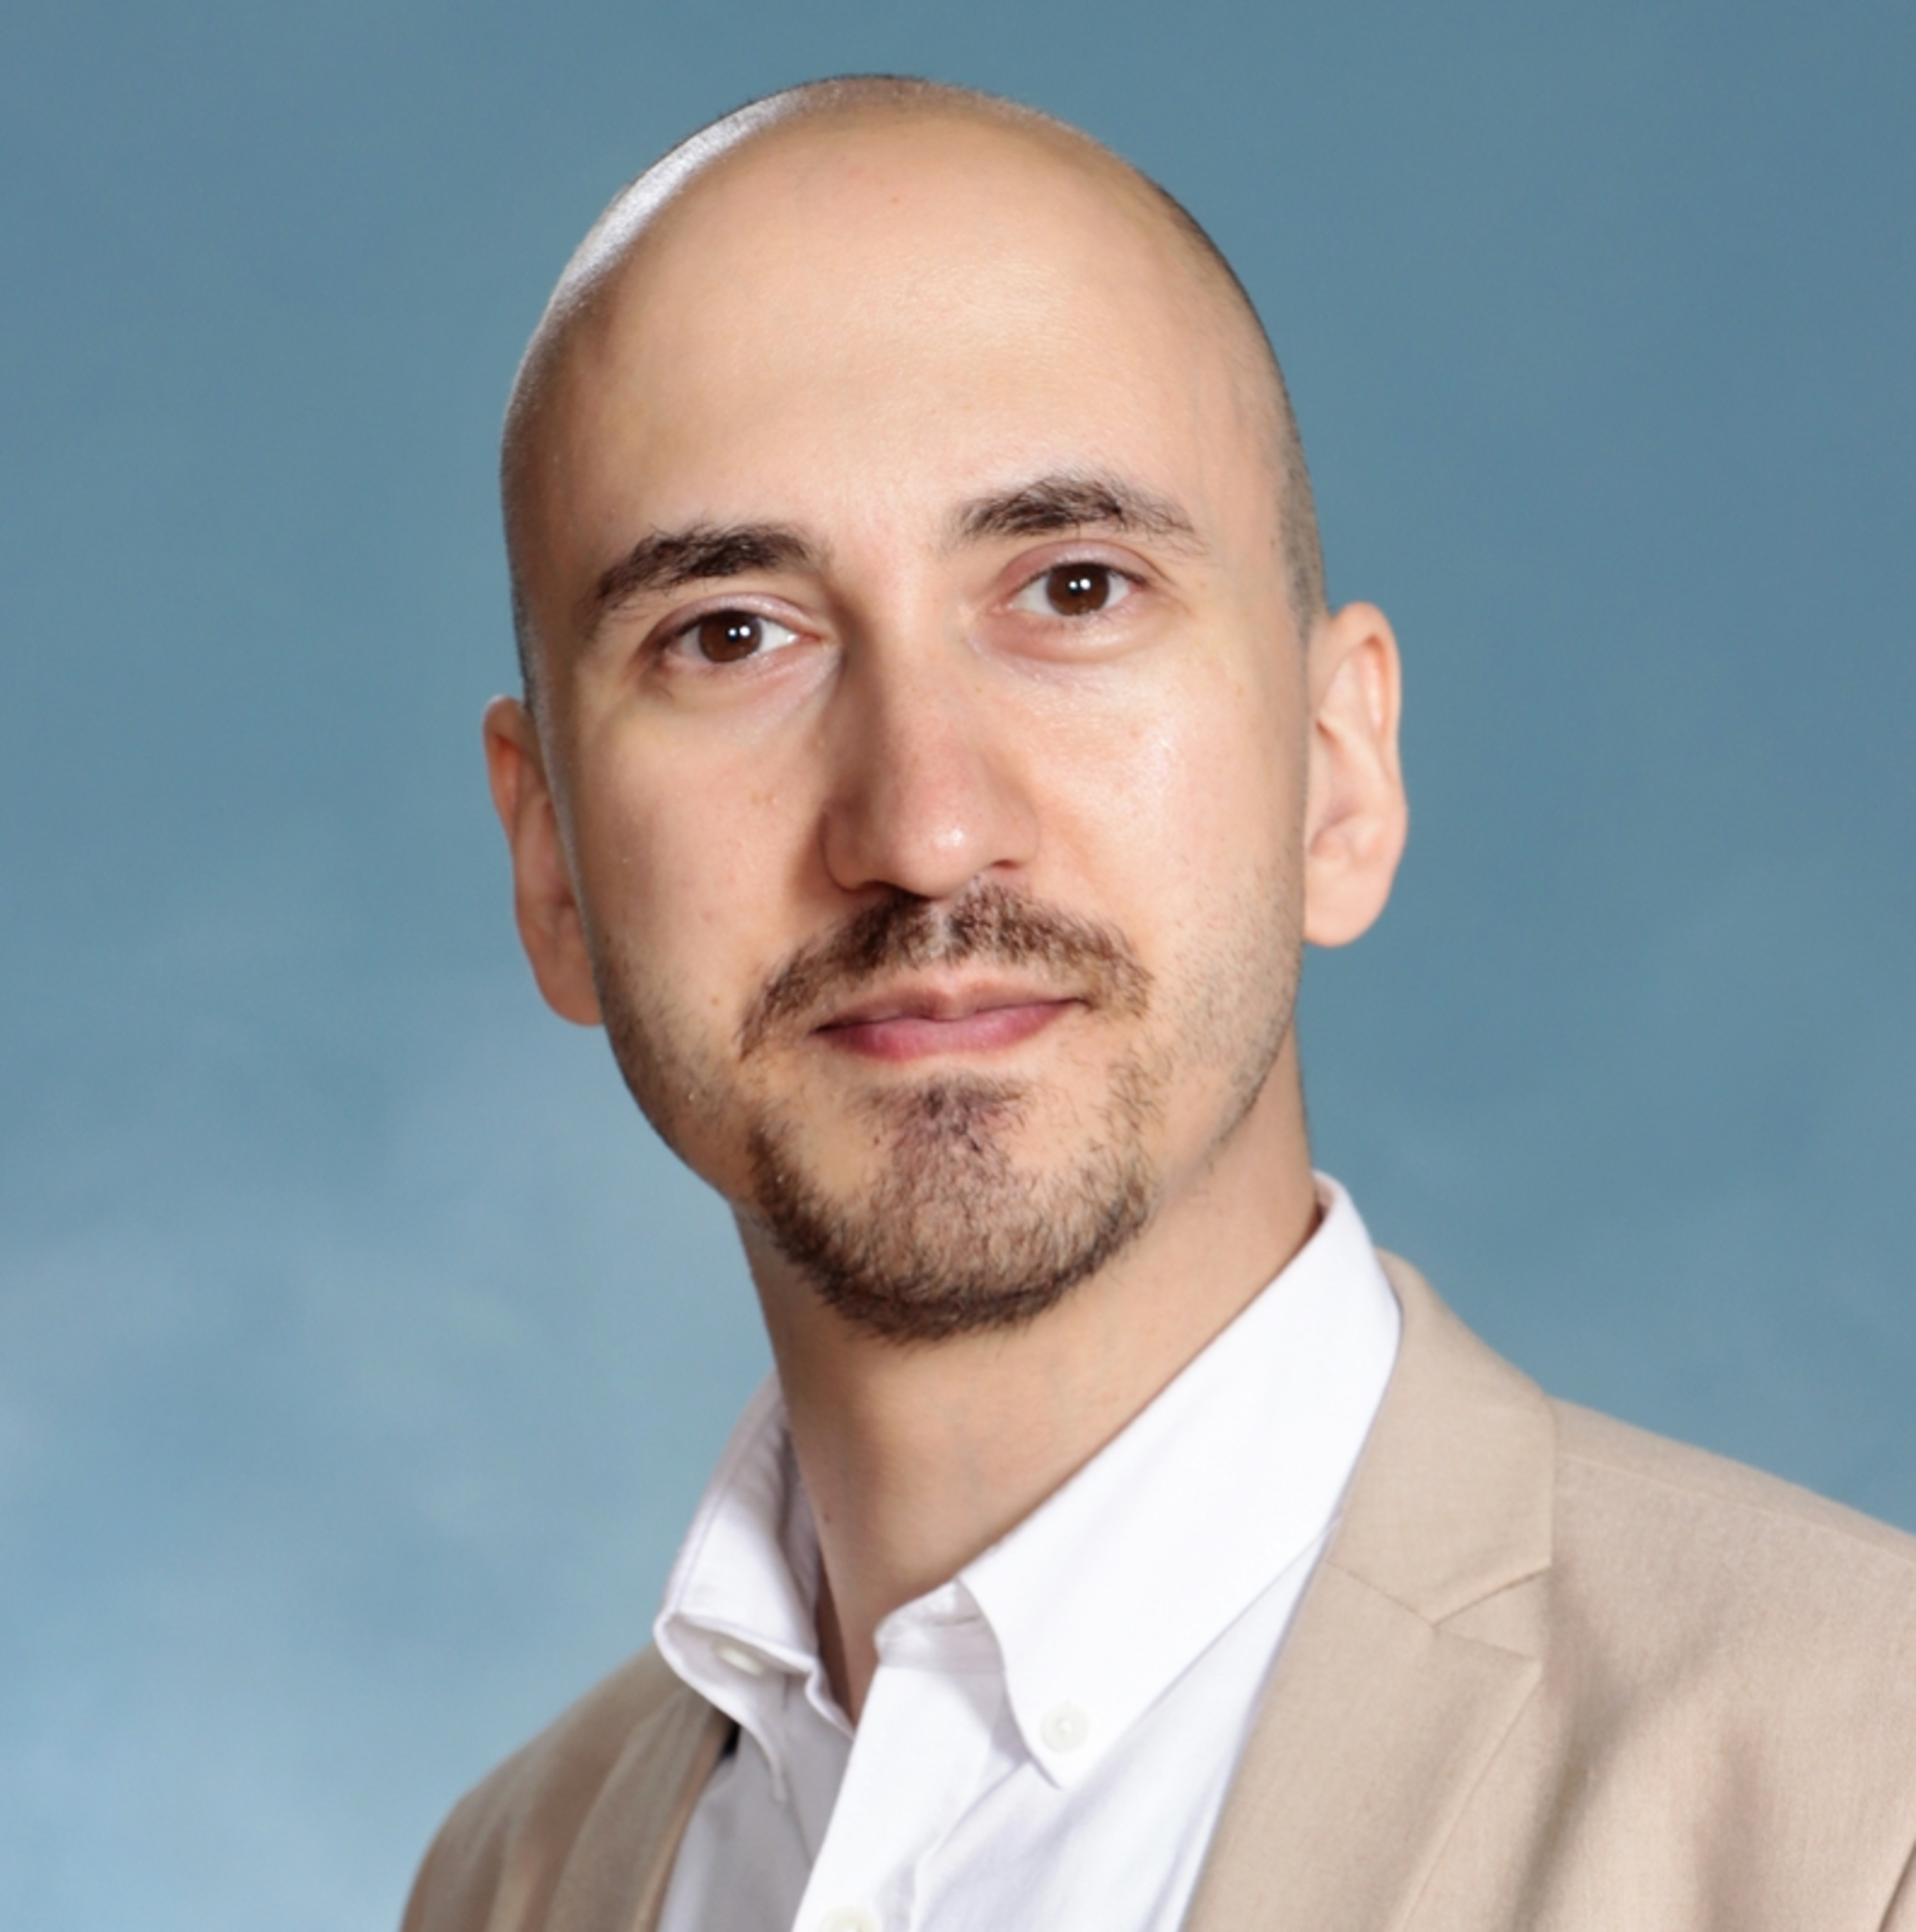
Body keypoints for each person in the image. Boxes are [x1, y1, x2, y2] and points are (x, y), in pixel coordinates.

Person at [403, 76, 1916, 1932]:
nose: (923, 826)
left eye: (1074, 588)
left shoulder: (1865, 1806)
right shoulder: (509, 1881)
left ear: (1337, 773)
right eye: (732, 633)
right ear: (552, 863)